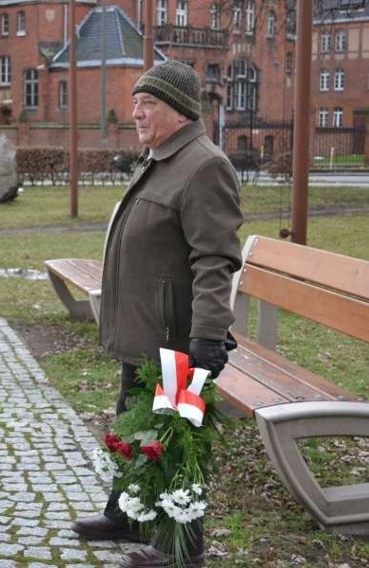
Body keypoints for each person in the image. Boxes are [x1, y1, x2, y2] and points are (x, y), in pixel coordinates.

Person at [71, 60, 243, 568]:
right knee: (132, 423)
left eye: (148, 104)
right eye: (137, 103)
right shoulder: (163, 158)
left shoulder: (203, 165)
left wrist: (208, 337)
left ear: (179, 110)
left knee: (177, 438)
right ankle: (128, 512)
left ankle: (182, 551)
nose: (136, 113)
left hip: (180, 339)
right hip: (148, 329)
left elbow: (215, 259)